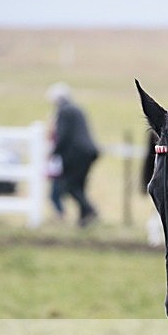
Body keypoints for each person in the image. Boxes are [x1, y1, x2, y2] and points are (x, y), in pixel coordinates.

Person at [46, 83, 100, 227]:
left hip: (76, 154)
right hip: (89, 152)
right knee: (79, 186)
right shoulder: (77, 109)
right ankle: (83, 221)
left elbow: (63, 136)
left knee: (69, 186)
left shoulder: (63, 112)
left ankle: (90, 211)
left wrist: (53, 152)